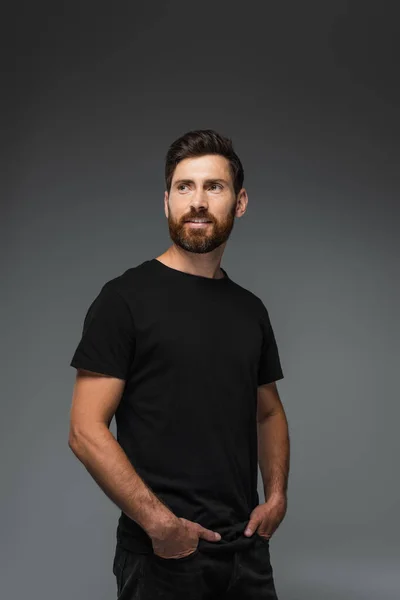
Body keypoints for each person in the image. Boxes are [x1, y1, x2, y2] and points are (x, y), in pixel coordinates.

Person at [68, 129, 289, 599]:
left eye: (215, 186)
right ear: (166, 201)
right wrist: (159, 524)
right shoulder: (124, 300)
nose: (198, 201)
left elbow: (268, 411)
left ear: (240, 201)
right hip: (162, 555)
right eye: (184, 187)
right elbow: (85, 430)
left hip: (246, 552)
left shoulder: (250, 310)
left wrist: (276, 498)